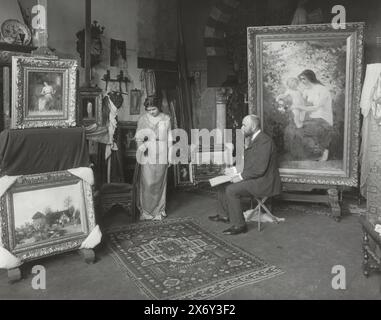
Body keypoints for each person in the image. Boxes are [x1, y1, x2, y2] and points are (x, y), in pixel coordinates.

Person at [209, 115, 281, 235]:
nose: (241, 128)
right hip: (256, 177)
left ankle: (240, 225)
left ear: (253, 126)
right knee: (222, 183)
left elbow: (259, 169)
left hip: (264, 182)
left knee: (231, 190)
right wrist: (231, 171)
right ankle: (224, 215)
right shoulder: (254, 139)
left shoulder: (264, 141)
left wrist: (240, 177)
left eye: (244, 125)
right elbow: (248, 164)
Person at [135, 95, 172, 221]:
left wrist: (170, 156)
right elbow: (139, 137)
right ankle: (146, 211)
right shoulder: (143, 119)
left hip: (162, 152)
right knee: (147, 183)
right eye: (149, 110)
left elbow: (170, 138)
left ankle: (159, 211)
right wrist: (141, 149)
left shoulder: (166, 118)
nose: (151, 112)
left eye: (153, 109)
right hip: (147, 153)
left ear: (159, 107)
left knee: (160, 183)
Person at [296, 69, 334, 161]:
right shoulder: (306, 90)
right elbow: (302, 103)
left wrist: (301, 107)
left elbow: (316, 107)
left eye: (304, 79)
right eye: (301, 79)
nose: (302, 81)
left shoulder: (322, 89)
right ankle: (312, 153)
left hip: (323, 118)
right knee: (296, 129)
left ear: (310, 78)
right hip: (312, 117)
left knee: (310, 128)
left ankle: (323, 152)